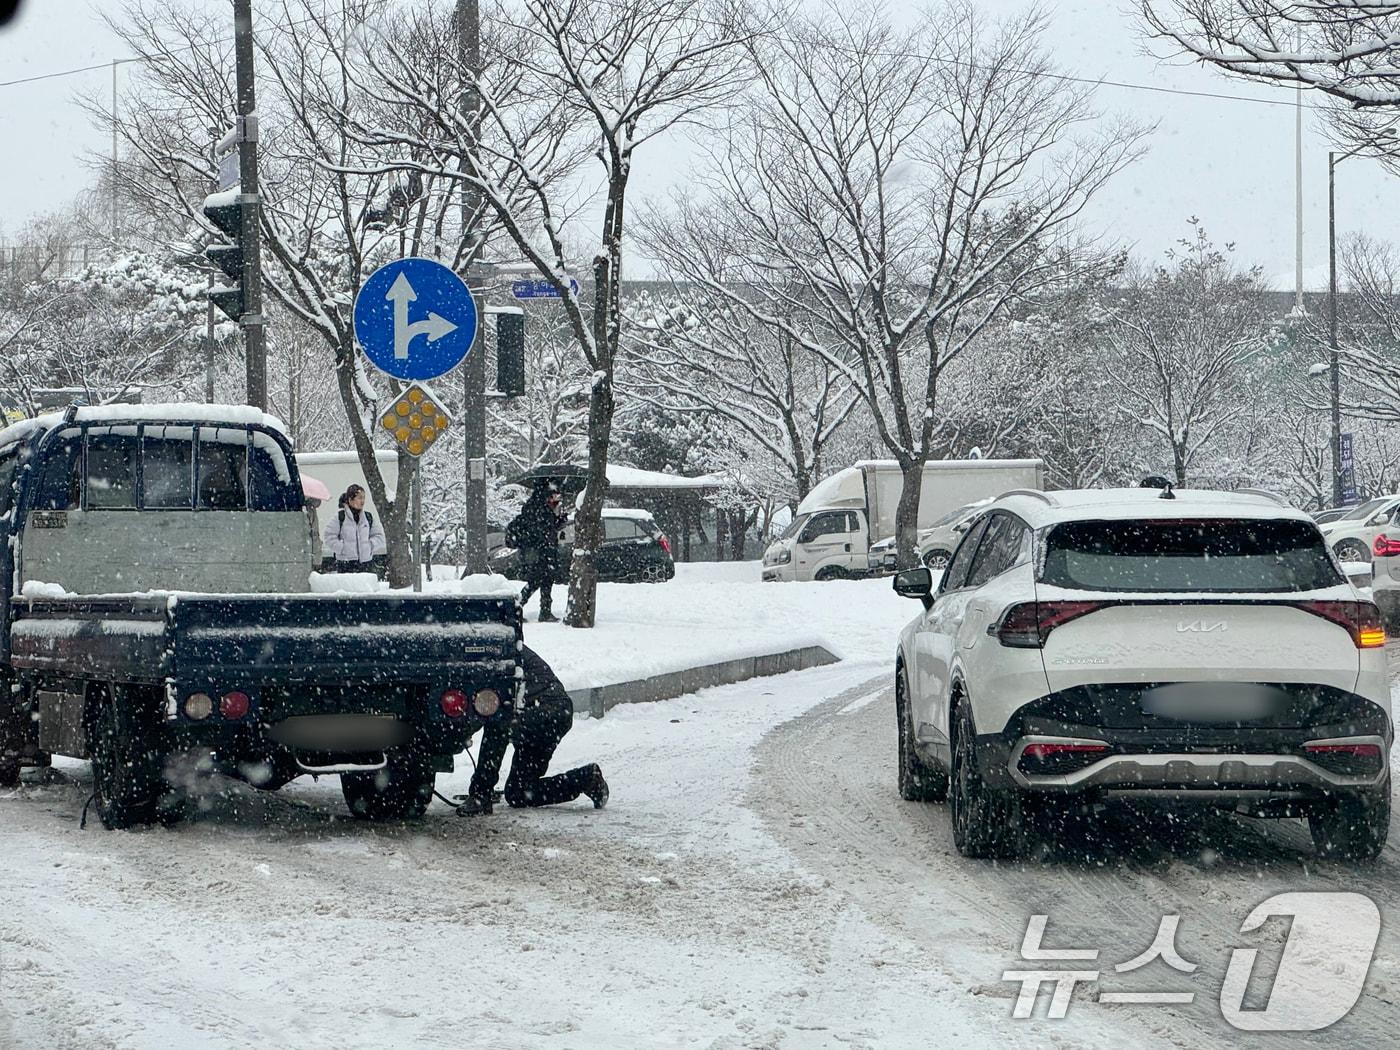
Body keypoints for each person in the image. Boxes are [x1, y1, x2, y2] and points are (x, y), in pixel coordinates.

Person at [457, 645, 608, 815]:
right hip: (548, 713)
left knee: (498, 725)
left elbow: (491, 709)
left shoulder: (496, 648)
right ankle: (586, 778)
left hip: (547, 712)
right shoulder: (490, 644)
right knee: (518, 793)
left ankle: (480, 794)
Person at [508, 482, 566, 622]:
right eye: (553, 495)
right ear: (546, 494)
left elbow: (549, 528)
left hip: (543, 551)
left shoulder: (539, 507)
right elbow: (543, 530)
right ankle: (515, 610)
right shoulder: (538, 509)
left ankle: (544, 611)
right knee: (535, 581)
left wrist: (559, 519)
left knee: (546, 580)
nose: (555, 498)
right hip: (540, 552)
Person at [323, 484, 387, 573]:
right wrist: (342, 549)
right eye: (360, 498)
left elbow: (379, 536)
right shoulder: (340, 517)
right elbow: (328, 536)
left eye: (364, 498)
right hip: (345, 564)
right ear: (350, 500)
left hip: (366, 563)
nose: (363, 501)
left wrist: (370, 545)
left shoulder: (368, 517)